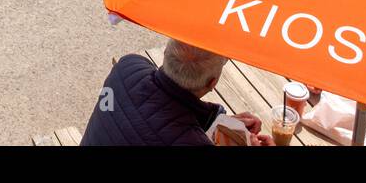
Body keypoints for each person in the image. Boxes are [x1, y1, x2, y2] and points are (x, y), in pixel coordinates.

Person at [81, 38, 273, 146]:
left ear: (165, 53)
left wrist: (217, 123)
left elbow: (157, 111)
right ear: (212, 83)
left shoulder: (128, 67)